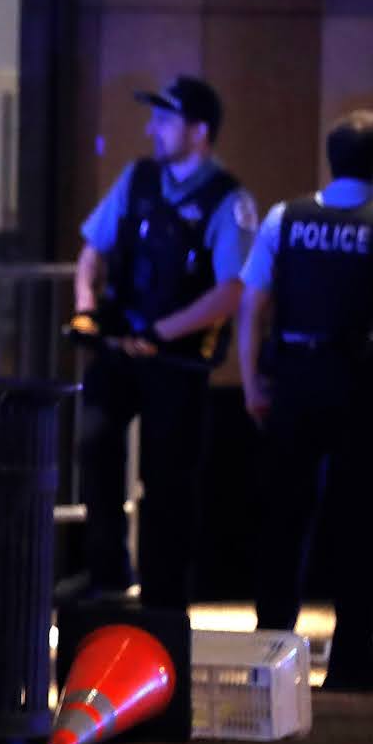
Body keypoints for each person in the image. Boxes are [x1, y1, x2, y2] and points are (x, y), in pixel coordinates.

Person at [239, 110, 373, 694]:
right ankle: (353, 658)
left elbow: (252, 305)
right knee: (359, 524)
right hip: (365, 386)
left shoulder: (285, 219)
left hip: (296, 381)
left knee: (283, 520)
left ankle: (269, 652)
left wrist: (254, 382)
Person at [68, 75, 257, 607]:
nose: (152, 129)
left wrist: (161, 334)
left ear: (200, 131)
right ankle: (106, 573)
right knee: (95, 446)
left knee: (169, 477)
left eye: (165, 120)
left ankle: (164, 591)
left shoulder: (229, 199)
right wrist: (86, 310)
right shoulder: (138, 179)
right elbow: (92, 249)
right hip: (121, 348)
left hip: (177, 363)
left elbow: (231, 289)